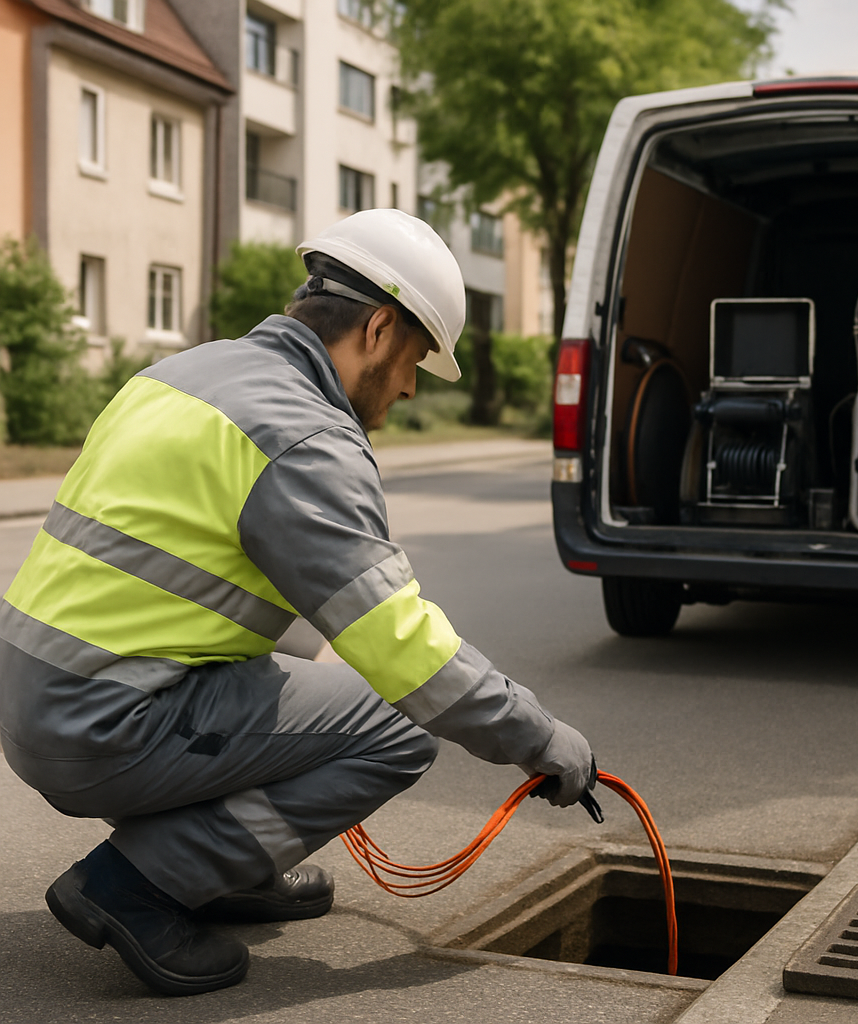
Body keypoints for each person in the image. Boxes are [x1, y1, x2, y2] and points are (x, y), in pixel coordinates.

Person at [0, 209, 595, 996]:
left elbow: (272, 600)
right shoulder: (305, 436)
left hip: (39, 699)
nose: (412, 387)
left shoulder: (185, 372)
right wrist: (538, 735)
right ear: (379, 329)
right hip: (104, 722)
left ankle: (224, 867)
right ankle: (140, 884)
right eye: (417, 359)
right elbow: (403, 650)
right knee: (397, 723)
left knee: (314, 670)